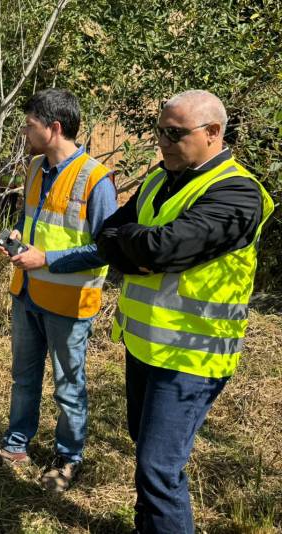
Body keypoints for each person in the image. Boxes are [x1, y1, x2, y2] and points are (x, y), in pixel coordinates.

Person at [96, 90, 273, 534]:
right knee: (147, 453)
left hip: (193, 358)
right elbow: (106, 233)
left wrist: (138, 245)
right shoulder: (160, 179)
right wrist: (138, 249)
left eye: (175, 133)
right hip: (145, 346)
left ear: (213, 133)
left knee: (159, 467)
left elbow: (164, 246)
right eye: (160, 131)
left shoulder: (238, 193)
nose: (163, 141)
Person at [0, 89, 117, 492]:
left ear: (53, 128)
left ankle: (68, 459)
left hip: (69, 303)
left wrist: (46, 259)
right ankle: (15, 446)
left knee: (69, 387)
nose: (24, 131)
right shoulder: (35, 167)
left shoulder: (96, 178)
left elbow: (106, 248)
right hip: (27, 294)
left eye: (29, 124)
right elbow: (29, 219)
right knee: (24, 378)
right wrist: (17, 236)